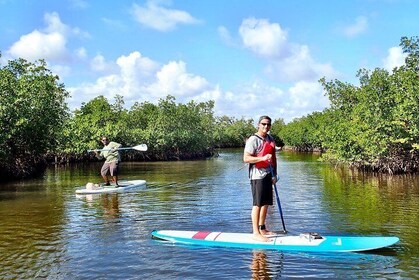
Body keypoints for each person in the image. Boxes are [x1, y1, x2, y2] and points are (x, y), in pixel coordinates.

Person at [243, 116, 277, 242]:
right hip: (257, 175)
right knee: (257, 204)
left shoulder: (270, 139)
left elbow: (273, 158)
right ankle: (255, 232)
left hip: (269, 174)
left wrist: (274, 175)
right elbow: (246, 158)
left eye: (268, 124)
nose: (266, 127)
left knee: (266, 202)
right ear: (258, 124)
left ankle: (262, 228)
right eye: (263, 124)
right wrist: (261, 159)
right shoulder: (253, 140)